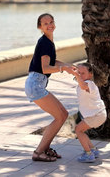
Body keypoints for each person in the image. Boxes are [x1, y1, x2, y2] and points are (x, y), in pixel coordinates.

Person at [25, 13, 77, 162]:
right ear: (40, 27)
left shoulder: (47, 42)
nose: (50, 25)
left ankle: (45, 148)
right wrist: (64, 69)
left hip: (36, 83)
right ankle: (39, 152)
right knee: (60, 116)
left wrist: (68, 66)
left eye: (51, 22)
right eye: (45, 23)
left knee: (63, 114)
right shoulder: (45, 43)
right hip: (35, 84)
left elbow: (53, 61)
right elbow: (46, 68)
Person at [72, 62, 107, 163]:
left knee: (78, 130)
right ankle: (93, 150)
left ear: (90, 74)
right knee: (81, 130)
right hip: (96, 114)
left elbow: (84, 87)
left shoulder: (90, 84)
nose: (80, 75)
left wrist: (76, 75)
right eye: (79, 72)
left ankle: (88, 154)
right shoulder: (81, 84)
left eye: (82, 73)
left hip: (97, 115)